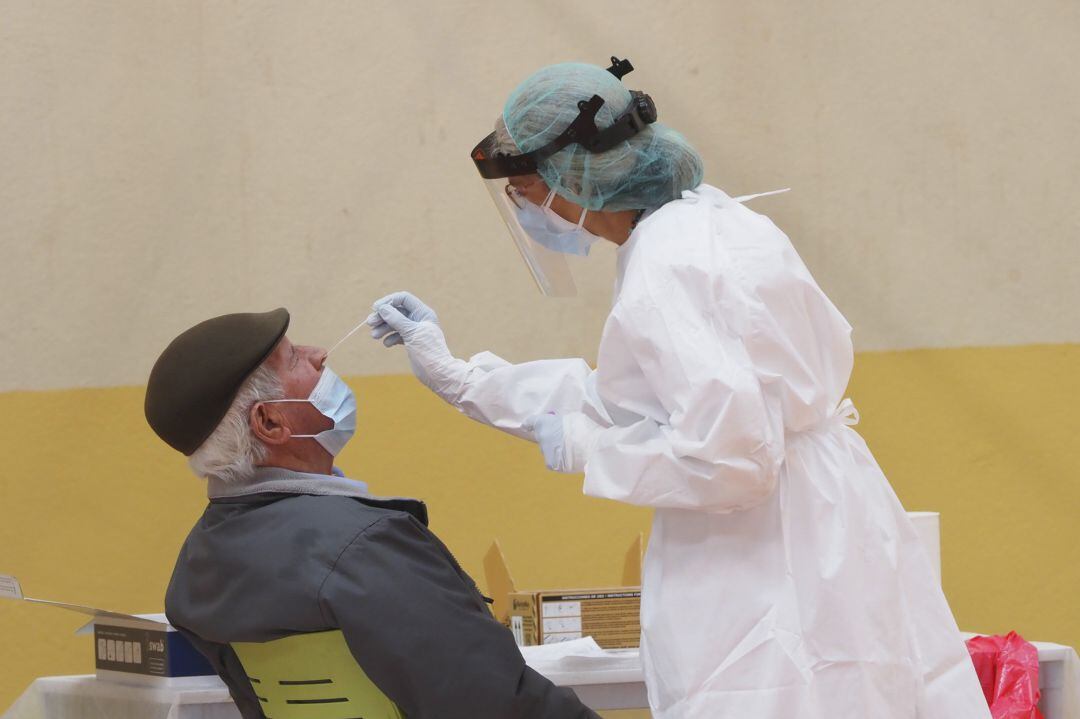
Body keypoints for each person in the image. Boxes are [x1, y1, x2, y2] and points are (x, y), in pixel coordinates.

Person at [366, 59, 991, 718]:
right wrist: (467, 378)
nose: (528, 212)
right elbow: (629, 398)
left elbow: (732, 462)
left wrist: (587, 446)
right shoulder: (706, 222)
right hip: (823, 522)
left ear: (561, 180)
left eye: (523, 191)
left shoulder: (666, 269)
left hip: (764, 558)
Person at [145, 308, 600, 719]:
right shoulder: (363, 546)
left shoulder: (197, 563)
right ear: (270, 423)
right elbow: (498, 703)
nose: (319, 354)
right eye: (294, 359)